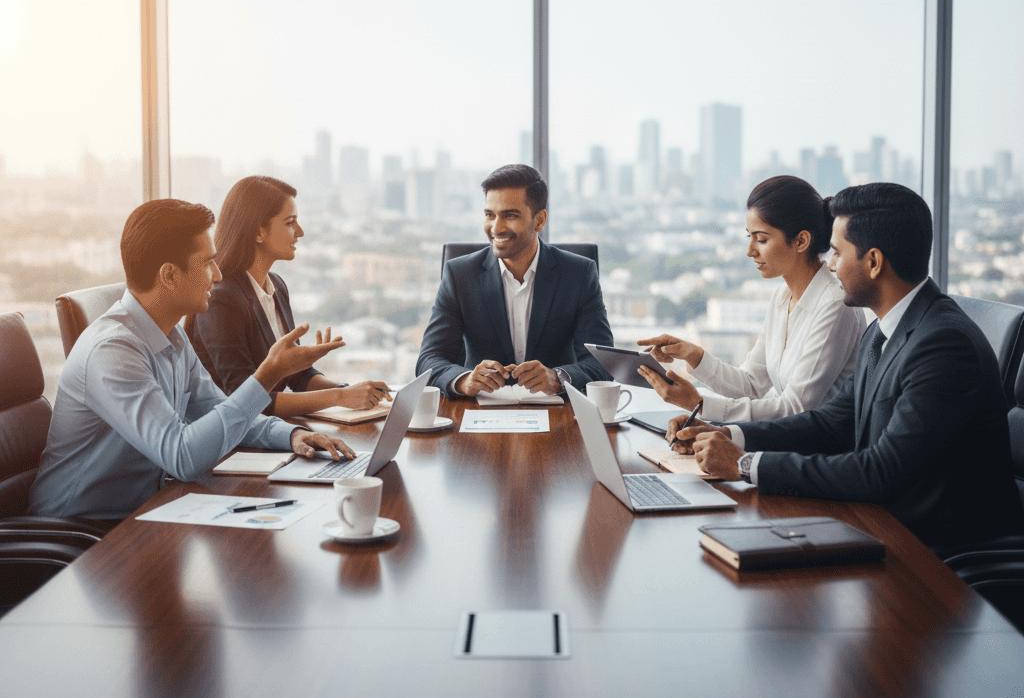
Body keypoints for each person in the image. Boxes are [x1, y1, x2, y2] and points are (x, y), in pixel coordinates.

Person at [668, 182, 1024, 549]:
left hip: (942, 554)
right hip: (888, 526)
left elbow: (881, 473)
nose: (831, 265)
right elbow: (830, 423)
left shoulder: (944, 345)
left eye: (837, 253)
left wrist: (746, 464)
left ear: (873, 262)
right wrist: (731, 435)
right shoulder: (881, 333)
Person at [29, 199, 354, 522]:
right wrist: (267, 375)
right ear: (169, 275)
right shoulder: (113, 351)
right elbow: (182, 456)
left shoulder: (171, 335)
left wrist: (290, 435)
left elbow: (220, 410)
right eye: (207, 263)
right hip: (80, 535)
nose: (217, 275)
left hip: (144, 512)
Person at [637, 175, 867, 422]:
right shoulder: (782, 298)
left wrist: (699, 404)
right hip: (787, 442)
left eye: (762, 239)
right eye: (750, 237)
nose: (750, 251)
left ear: (801, 241)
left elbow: (796, 408)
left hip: (821, 453)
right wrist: (692, 354)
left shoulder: (834, 304)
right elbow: (751, 384)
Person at [187, 176, 390, 417]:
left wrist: (354, 392)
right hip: (236, 440)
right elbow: (246, 400)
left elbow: (296, 376)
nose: (300, 232)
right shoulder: (221, 300)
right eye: (290, 222)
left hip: (268, 431)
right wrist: (341, 397)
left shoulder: (277, 286)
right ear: (259, 231)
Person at [416, 164, 614, 396]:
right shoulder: (459, 275)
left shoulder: (579, 274)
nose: (496, 228)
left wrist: (558, 378)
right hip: (479, 414)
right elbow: (429, 360)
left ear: (539, 221)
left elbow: (602, 364)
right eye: (490, 215)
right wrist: (464, 380)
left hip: (557, 415)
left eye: (510, 216)